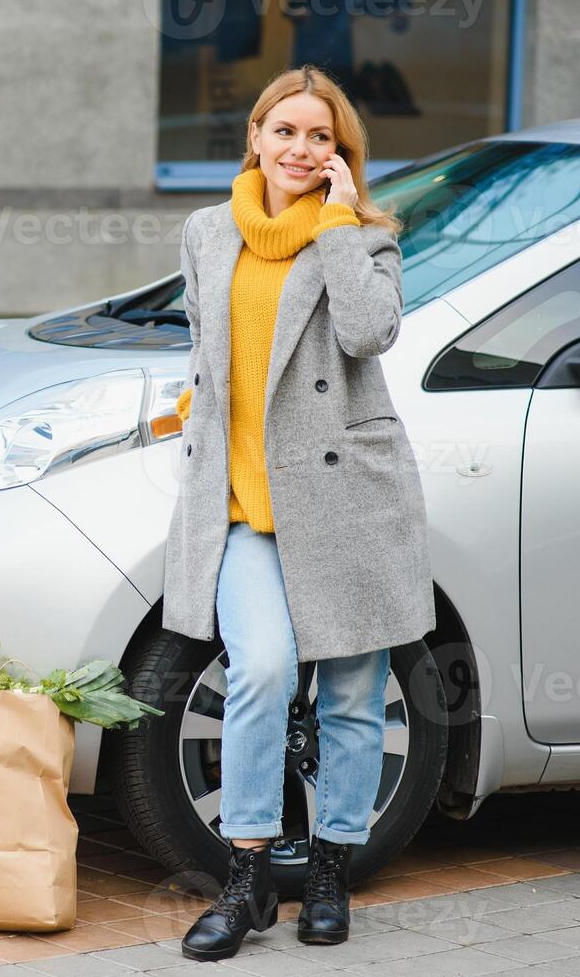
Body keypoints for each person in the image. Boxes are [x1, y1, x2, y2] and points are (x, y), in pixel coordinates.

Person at [168, 65, 430, 962]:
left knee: (355, 698)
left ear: (341, 154)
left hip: (347, 501)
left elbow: (368, 333)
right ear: (256, 137)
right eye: (286, 131)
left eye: (321, 137)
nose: (301, 149)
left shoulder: (366, 238)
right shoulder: (206, 232)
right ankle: (245, 881)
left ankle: (328, 869)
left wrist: (340, 225)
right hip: (243, 505)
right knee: (263, 673)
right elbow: (208, 362)